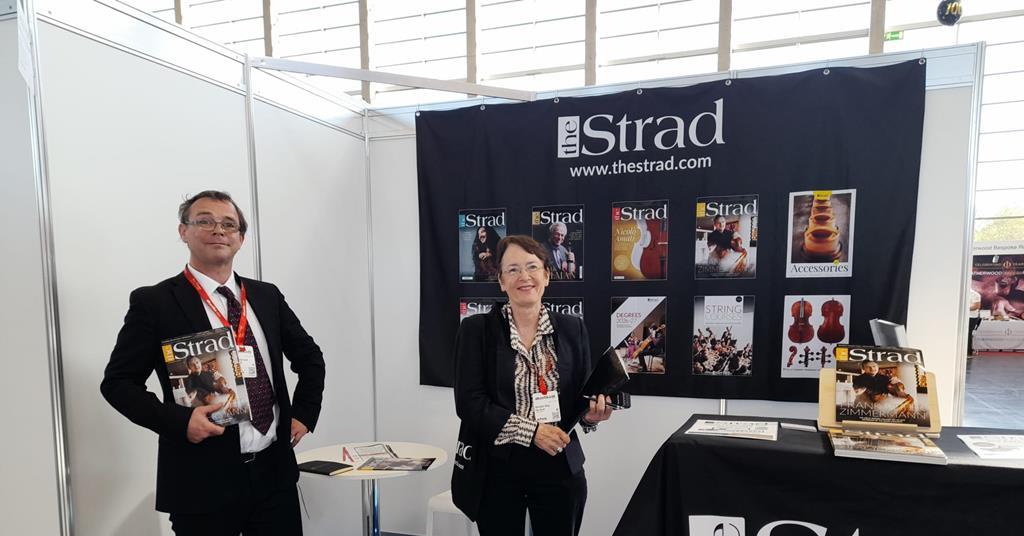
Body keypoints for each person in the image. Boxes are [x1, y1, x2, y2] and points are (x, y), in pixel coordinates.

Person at [101, 190, 326, 535]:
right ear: (183, 231)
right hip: (201, 481)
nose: (218, 230)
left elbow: (310, 358)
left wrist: (305, 413)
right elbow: (118, 383)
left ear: (241, 238)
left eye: (228, 224)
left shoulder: (266, 296)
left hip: (274, 475)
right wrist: (180, 422)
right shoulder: (155, 302)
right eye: (204, 221)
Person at [453, 235, 613, 536]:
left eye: (532, 267)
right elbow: (470, 403)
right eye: (512, 270)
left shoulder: (572, 328)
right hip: (497, 467)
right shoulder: (477, 330)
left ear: (547, 275)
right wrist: (533, 432)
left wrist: (591, 415)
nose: (524, 276)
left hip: (559, 463)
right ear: (501, 281)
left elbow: (581, 396)